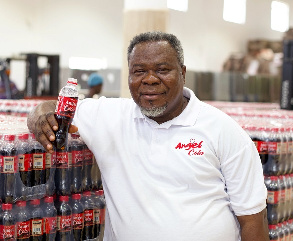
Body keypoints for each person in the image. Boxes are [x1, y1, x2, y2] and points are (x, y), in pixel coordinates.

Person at [27, 31, 269, 241]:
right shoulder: (110, 117)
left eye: (162, 70)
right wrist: (40, 115)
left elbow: (253, 221)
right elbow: (52, 107)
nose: (150, 79)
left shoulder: (223, 131)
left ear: (183, 73)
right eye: (139, 71)